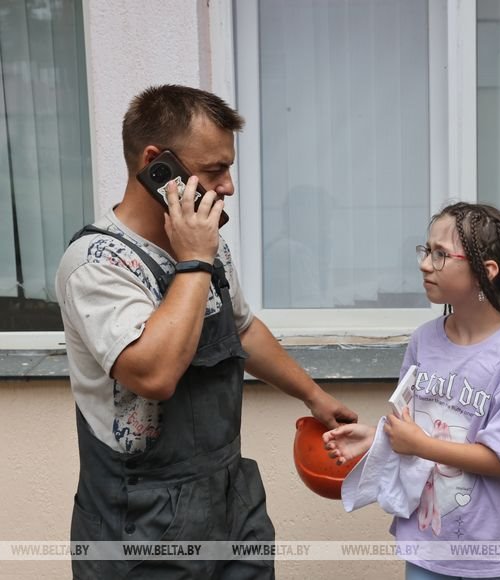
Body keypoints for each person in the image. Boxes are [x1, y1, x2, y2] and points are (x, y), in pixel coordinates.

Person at [55, 84, 357, 579]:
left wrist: (313, 396)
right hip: (139, 522)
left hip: (229, 500)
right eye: (215, 169)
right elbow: (153, 375)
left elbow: (243, 329)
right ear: (157, 163)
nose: (229, 186)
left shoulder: (207, 243)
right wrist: (193, 259)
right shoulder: (95, 264)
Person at [323, 202, 500, 580]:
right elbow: (416, 429)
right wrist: (377, 438)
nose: (425, 263)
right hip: (428, 549)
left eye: (441, 255)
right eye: (426, 251)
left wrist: (420, 446)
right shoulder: (423, 341)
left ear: (485, 273)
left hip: (496, 558)